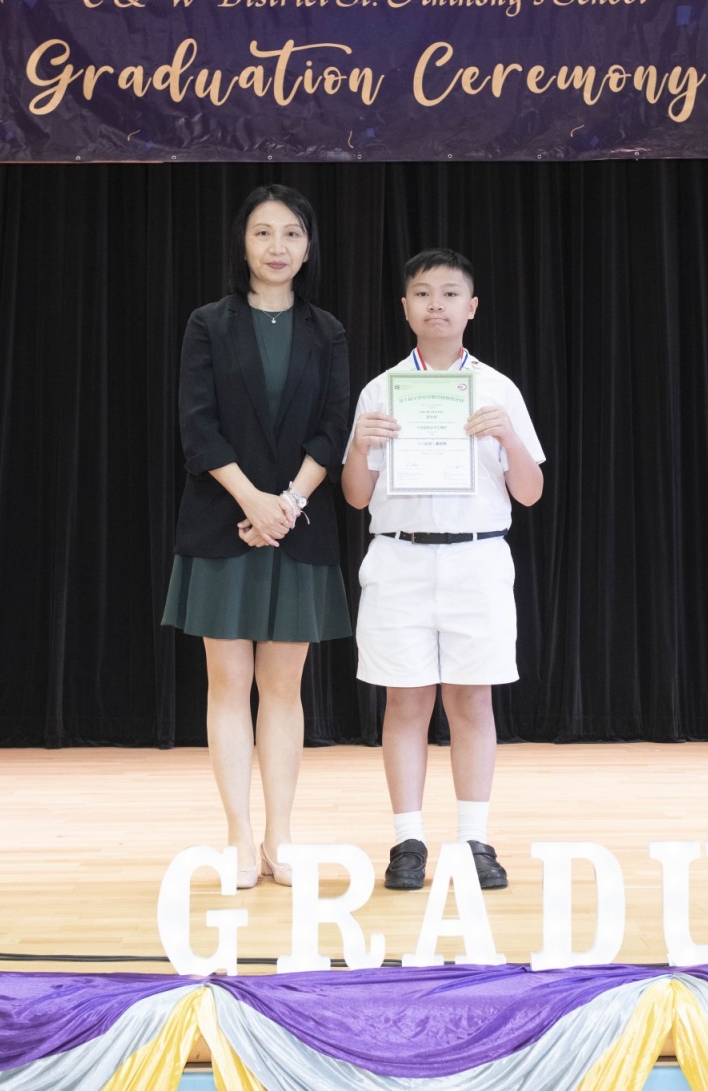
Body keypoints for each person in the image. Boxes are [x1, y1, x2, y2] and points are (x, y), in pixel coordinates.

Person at [162, 185, 352, 888]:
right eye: (263, 232)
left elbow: (333, 428)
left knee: (283, 687)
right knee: (228, 682)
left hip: (296, 528)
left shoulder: (327, 331)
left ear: (308, 246)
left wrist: (288, 504)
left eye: (292, 234)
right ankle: (239, 836)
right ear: (242, 242)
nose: (278, 247)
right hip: (223, 522)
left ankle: (281, 836)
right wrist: (252, 501)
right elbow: (198, 425)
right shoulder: (208, 324)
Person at [341, 250, 545, 892]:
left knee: (472, 699)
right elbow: (354, 496)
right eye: (424, 293)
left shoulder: (498, 389)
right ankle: (408, 841)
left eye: (450, 293)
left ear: (472, 307)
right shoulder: (380, 390)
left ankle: (474, 840)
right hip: (398, 557)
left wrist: (509, 437)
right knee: (404, 700)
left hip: (477, 558)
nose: (437, 304)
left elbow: (530, 492)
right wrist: (360, 445)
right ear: (404, 307)